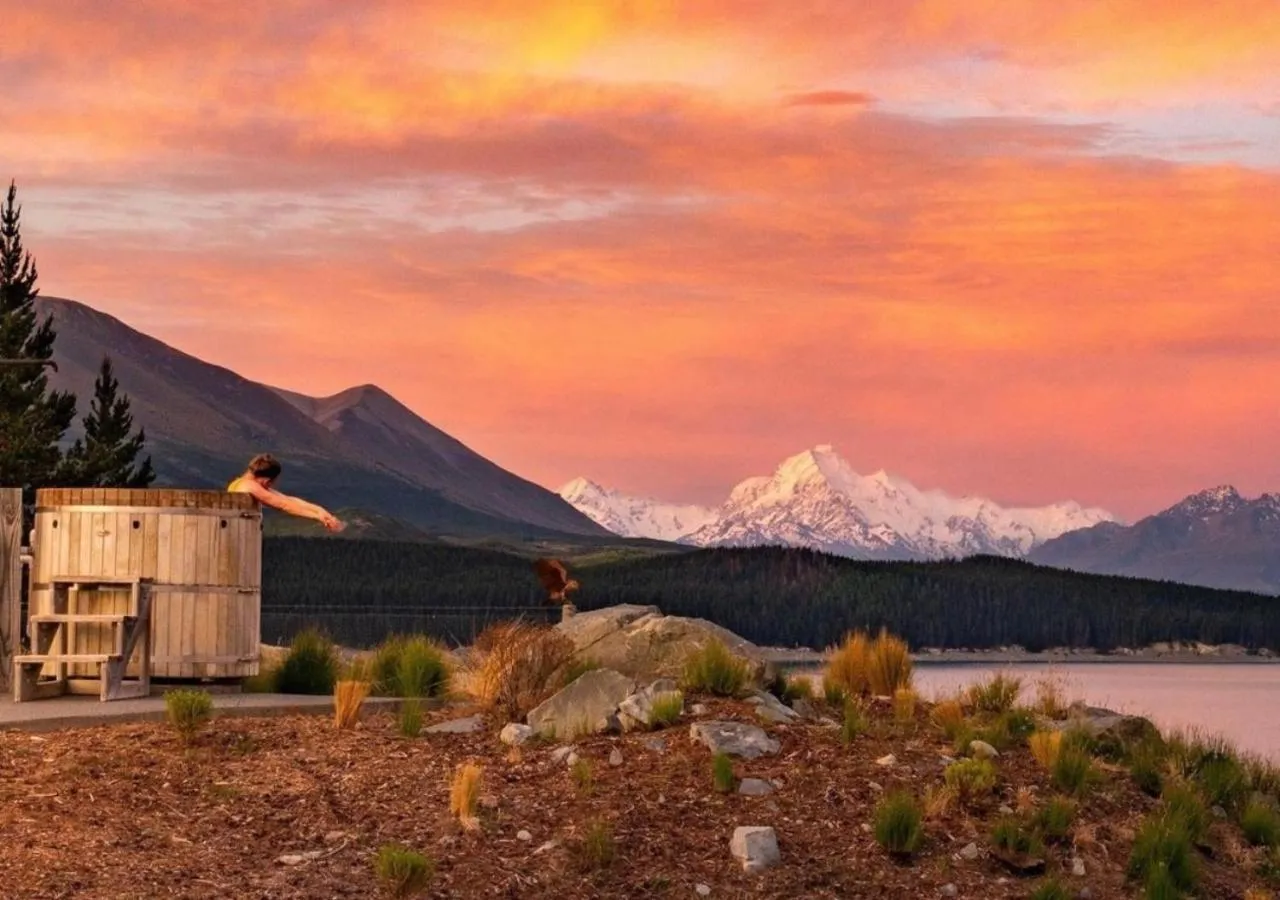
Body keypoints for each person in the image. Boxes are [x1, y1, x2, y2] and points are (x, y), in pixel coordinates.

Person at [227, 453, 344, 531]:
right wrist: (317, 517)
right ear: (267, 480)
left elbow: (287, 499)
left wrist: (321, 511)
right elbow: (283, 505)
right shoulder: (248, 486)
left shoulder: (243, 483)